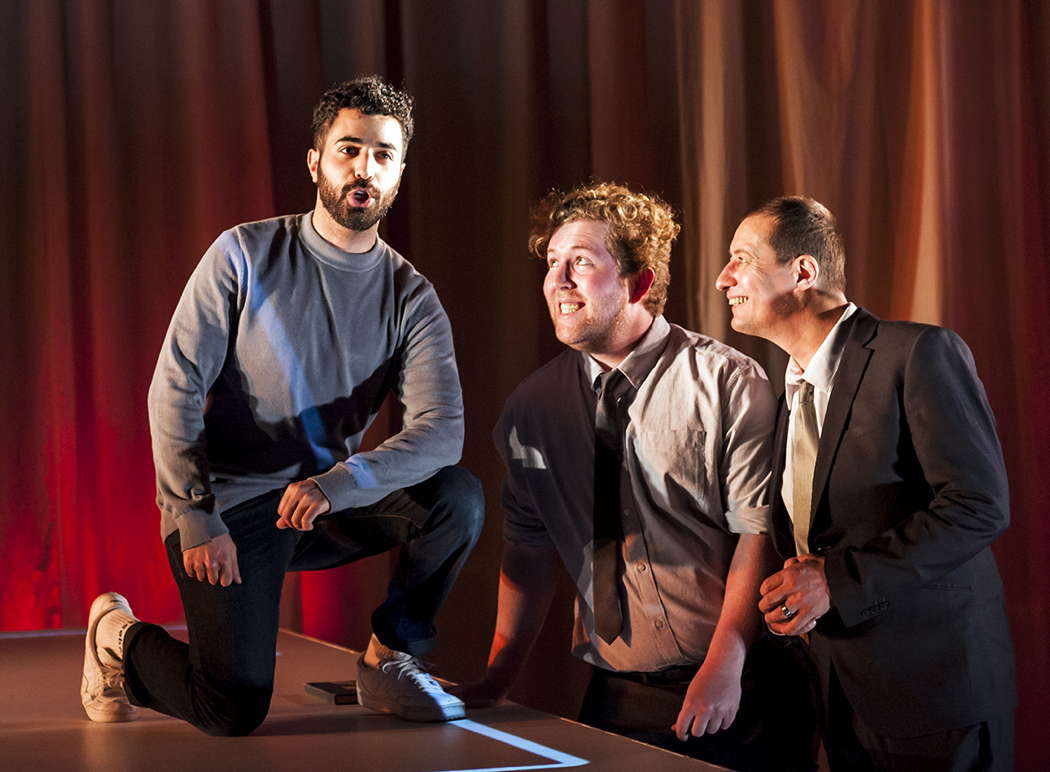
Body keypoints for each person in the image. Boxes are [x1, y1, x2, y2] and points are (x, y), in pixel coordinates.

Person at [80, 76, 483, 735]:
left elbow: (442, 432)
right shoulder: (243, 254)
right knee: (231, 708)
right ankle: (116, 635)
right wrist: (193, 512)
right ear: (316, 161)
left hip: (321, 502)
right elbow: (175, 385)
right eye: (349, 149)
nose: (365, 168)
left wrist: (341, 483)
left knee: (456, 498)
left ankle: (389, 657)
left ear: (400, 172)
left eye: (383, 155)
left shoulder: (411, 296)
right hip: (230, 510)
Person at [454, 182, 813, 770]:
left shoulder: (729, 383)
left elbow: (759, 535)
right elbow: (528, 551)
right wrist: (496, 679)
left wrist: (725, 663)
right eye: (552, 264)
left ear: (639, 283)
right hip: (616, 691)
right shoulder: (531, 409)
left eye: (581, 264)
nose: (558, 282)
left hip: (742, 685)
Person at [716, 196, 1016, 770]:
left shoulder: (920, 353)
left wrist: (838, 581)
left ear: (803, 273)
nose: (723, 277)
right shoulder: (786, 395)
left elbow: (979, 505)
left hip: (935, 699)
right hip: (842, 700)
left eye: (741, 259)